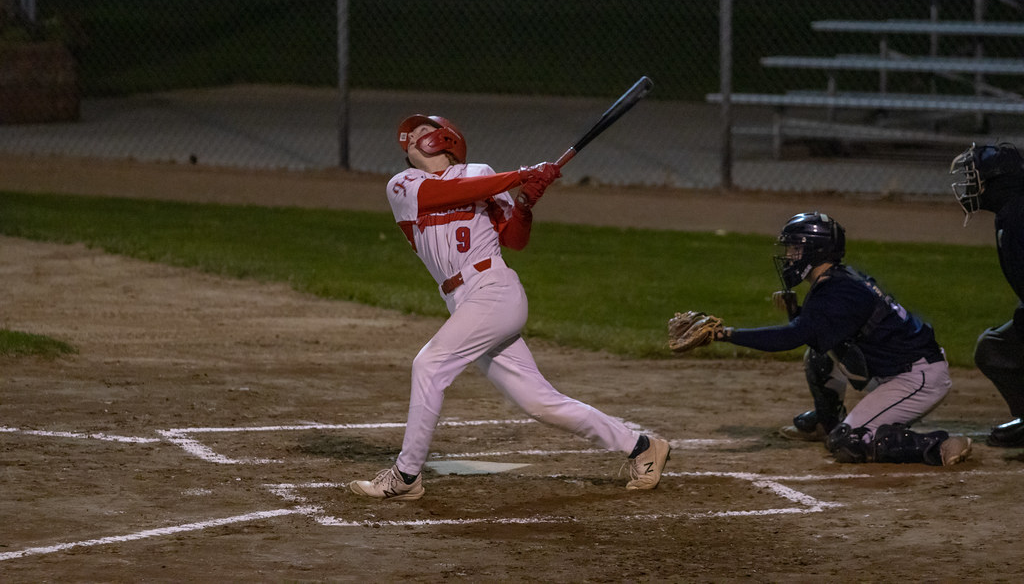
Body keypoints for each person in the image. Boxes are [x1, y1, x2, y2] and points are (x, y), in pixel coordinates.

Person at [348, 114, 670, 500]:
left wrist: (525, 204)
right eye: (410, 135)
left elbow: (515, 240)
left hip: (493, 290)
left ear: (446, 139)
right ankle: (641, 446)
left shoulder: (482, 173)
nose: (413, 138)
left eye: (422, 131)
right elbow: (443, 196)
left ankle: (406, 475)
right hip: (462, 301)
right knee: (539, 402)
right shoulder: (403, 185)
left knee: (429, 364)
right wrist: (521, 175)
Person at [704, 211, 972, 466]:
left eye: (795, 248)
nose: (789, 256)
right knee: (819, 356)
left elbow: (790, 338)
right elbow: (814, 333)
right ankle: (827, 421)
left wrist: (724, 334)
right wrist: (796, 313)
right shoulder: (835, 281)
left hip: (917, 378)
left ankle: (938, 446)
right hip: (893, 368)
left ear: (814, 250)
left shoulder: (838, 292)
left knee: (848, 441)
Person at [951, 142, 1024, 447]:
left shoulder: (1019, 216)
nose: (970, 184)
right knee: (993, 349)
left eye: (976, 176)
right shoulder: (1011, 212)